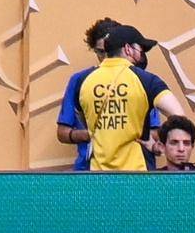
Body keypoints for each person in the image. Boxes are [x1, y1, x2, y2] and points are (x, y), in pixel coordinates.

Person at [56, 17, 178, 171]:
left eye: (109, 50)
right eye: (101, 52)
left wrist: (133, 136)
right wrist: (92, 134)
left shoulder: (140, 79)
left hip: (137, 167)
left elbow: (155, 128)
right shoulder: (81, 80)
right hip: (89, 168)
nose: (106, 57)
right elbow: (62, 132)